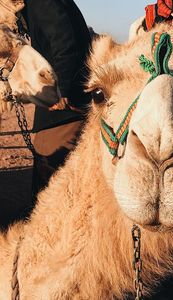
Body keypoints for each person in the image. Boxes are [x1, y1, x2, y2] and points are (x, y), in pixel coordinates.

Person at [20, 0, 92, 201]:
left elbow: (65, 44)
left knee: (50, 182)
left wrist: (62, 91)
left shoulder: (42, 2)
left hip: (62, 111)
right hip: (67, 105)